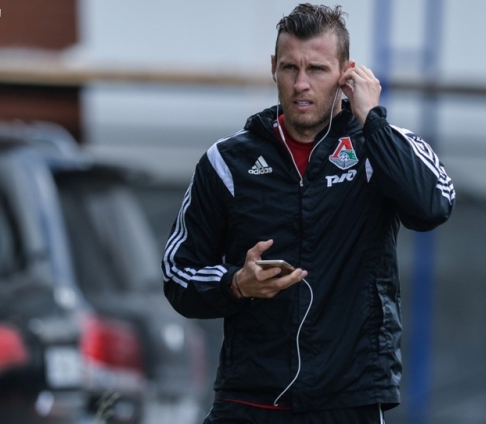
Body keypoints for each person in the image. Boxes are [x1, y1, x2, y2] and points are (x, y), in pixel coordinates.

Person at [162, 3, 455, 423]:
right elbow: (178, 273)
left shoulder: (383, 147)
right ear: (273, 68)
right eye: (289, 68)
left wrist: (372, 119)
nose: (301, 84)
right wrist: (236, 284)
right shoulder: (226, 162)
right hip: (250, 400)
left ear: (347, 74)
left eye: (317, 69)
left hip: (349, 400)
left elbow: (432, 208)